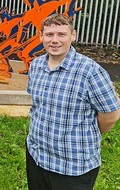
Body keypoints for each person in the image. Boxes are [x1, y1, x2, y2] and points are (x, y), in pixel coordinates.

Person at [26, 13, 120, 190]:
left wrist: (88, 133)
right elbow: (37, 106)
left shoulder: (91, 72)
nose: (55, 40)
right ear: (41, 37)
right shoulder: (36, 66)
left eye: (61, 34)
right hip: (37, 156)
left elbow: (111, 116)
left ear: (73, 35)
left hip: (73, 167)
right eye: (49, 35)